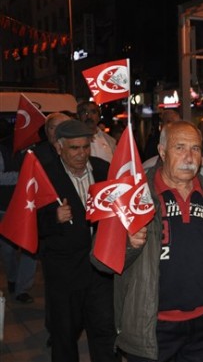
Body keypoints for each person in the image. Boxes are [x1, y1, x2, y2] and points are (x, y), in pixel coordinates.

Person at [99, 121, 203, 362]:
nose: (189, 156)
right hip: (153, 327)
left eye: (195, 148)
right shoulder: (133, 197)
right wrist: (129, 245)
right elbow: (100, 260)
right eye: (180, 148)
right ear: (162, 152)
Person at [37, 119, 118, 362]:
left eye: (85, 147)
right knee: (65, 337)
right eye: (74, 148)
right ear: (59, 147)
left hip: (100, 270)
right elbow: (27, 223)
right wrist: (53, 218)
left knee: (105, 333)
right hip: (65, 274)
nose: (81, 154)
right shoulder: (44, 176)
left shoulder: (104, 170)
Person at [0, 143, 36, 304]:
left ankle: (22, 288)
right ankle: (13, 278)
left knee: (30, 249)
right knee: (7, 250)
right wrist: (23, 174)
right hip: (6, 208)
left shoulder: (38, 149)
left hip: (30, 208)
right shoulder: (4, 150)